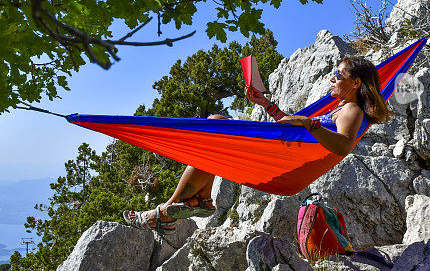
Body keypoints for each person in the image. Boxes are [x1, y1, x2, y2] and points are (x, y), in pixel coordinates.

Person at [122, 55, 392, 232]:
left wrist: (310, 124)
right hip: (284, 154)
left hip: (290, 167)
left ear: (356, 83)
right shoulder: (338, 108)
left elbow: (344, 146)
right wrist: (264, 103)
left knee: (215, 131)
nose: (333, 78)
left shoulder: (352, 111)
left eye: (339, 75)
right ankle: (200, 200)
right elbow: (290, 123)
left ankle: (166, 211)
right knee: (215, 124)